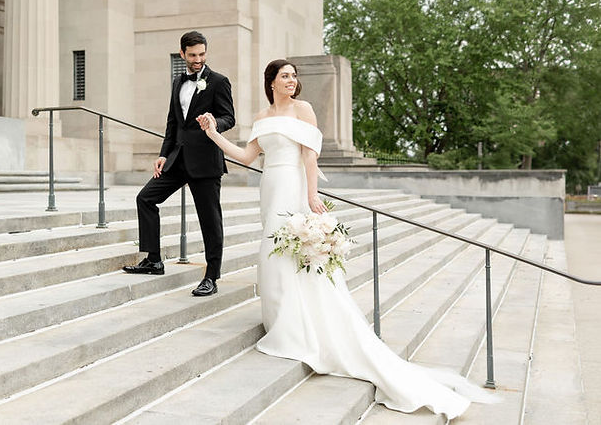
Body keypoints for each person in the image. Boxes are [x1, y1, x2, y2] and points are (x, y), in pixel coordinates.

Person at [196, 59, 495, 419]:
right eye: (285, 76)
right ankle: (281, 321)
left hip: (292, 186)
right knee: (272, 253)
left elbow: (309, 156)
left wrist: (311, 195)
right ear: (271, 82)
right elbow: (247, 156)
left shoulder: (304, 110)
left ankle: (299, 328)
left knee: (293, 251)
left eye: (294, 75)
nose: (292, 80)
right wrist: (213, 133)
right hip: (269, 186)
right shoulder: (263, 115)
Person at [123, 31, 235, 297]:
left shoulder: (219, 81)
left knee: (210, 220)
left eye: (202, 54)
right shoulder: (177, 82)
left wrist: (214, 124)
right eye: (193, 55)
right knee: (146, 199)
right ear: (182, 54)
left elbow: (229, 117)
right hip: (177, 159)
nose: (198, 60)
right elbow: (172, 123)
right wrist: (163, 153)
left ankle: (211, 276)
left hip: (206, 162)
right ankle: (153, 259)